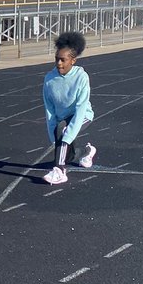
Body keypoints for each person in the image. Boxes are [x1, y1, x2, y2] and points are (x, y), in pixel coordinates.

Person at [42, 31, 96, 185]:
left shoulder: (81, 77)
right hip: (61, 119)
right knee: (69, 155)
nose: (59, 63)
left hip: (83, 115)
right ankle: (87, 152)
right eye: (57, 59)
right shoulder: (49, 80)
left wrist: (67, 132)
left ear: (73, 61)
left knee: (64, 130)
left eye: (63, 60)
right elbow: (49, 109)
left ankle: (59, 171)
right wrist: (55, 138)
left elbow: (81, 108)